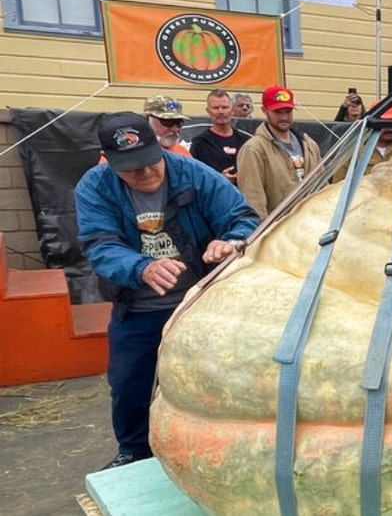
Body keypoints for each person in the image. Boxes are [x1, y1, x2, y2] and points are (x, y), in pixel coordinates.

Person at [75, 113, 258, 470]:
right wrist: (140, 267)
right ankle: (134, 453)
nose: (143, 172)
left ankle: (213, 456)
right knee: (129, 385)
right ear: (108, 160)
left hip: (198, 305)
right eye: (129, 167)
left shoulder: (196, 174)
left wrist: (230, 242)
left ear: (159, 145)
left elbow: (242, 217)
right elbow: (99, 243)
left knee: (215, 382)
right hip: (138, 308)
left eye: (147, 161)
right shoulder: (94, 187)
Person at [237, 85, 322, 218]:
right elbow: (253, 200)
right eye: (278, 112)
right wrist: (263, 235)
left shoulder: (309, 144)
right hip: (279, 231)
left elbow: (322, 185)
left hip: (312, 226)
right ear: (264, 111)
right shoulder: (253, 149)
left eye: (288, 111)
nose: (284, 117)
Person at [332, 104, 392, 182]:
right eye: (385, 123)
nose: (390, 128)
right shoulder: (354, 149)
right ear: (373, 123)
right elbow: (338, 182)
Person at [189, 89, 246, 184]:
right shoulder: (200, 143)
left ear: (232, 110)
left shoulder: (245, 141)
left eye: (224, 107)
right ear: (208, 111)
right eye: (216, 108)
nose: (221, 111)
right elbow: (195, 177)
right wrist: (219, 179)